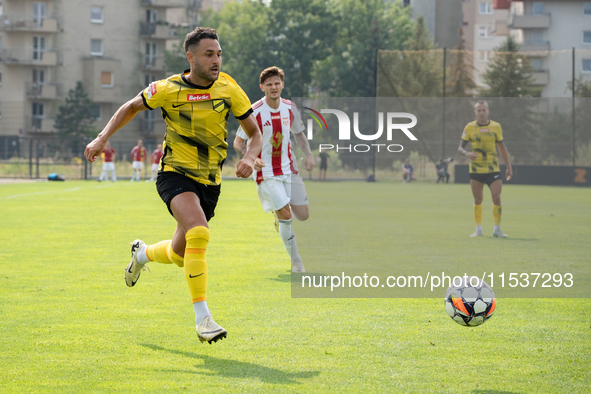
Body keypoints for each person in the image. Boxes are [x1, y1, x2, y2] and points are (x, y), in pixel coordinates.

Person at [84, 27, 263, 344]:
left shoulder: (229, 88)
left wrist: (250, 156)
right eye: (209, 54)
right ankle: (203, 319)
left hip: (210, 182)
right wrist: (102, 137)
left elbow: (254, 132)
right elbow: (130, 107)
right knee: (199, 232)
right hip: (174, 174)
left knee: (182, 254)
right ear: (190, 57)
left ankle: (141, 255)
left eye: (219, 54)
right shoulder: (167, 89)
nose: (216, 60)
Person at [233, 66, 314, 273]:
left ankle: (280, 222)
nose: (274, 87)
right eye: (269, 84)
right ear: (262, 87)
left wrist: (309, 155)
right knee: (286, 214)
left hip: (289, 169)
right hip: (266, 172)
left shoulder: (290, 108)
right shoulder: (254, 111)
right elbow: (238, 142)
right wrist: (251, 159)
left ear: (282, 85)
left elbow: (299, 135)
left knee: (303, 215)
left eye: (277, 83)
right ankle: (296, 262)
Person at [458, 100, 513, 238]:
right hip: (476, 169)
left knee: (496, 197)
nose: (481, 113)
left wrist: (508, 166)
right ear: (475, 112)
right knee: (478, 199)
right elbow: (460, 148)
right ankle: (478, 230)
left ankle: (497, 230)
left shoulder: (496, 126)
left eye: (484, 110)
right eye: (479, 110)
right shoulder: (469, 127)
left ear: (488, 111)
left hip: (492, 168)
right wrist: (467, 154)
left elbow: (502, 147)